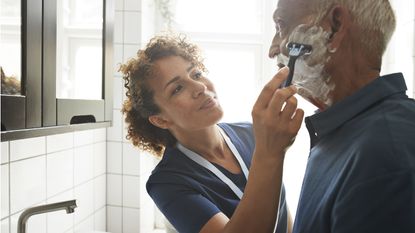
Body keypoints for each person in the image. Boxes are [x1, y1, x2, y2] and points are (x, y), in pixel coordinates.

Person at [120, 34, 304, 233]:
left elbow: (282, 212)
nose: (200, 87)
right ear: (161, 119)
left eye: (196, 74)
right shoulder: (167, 183)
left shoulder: (254, 133)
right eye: (177, 88)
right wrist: (271, 153)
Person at [268, 0, 415, 232]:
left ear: (335, 27)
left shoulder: (385, 153)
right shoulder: (342, 132)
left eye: (280, 26)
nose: (272, 49)